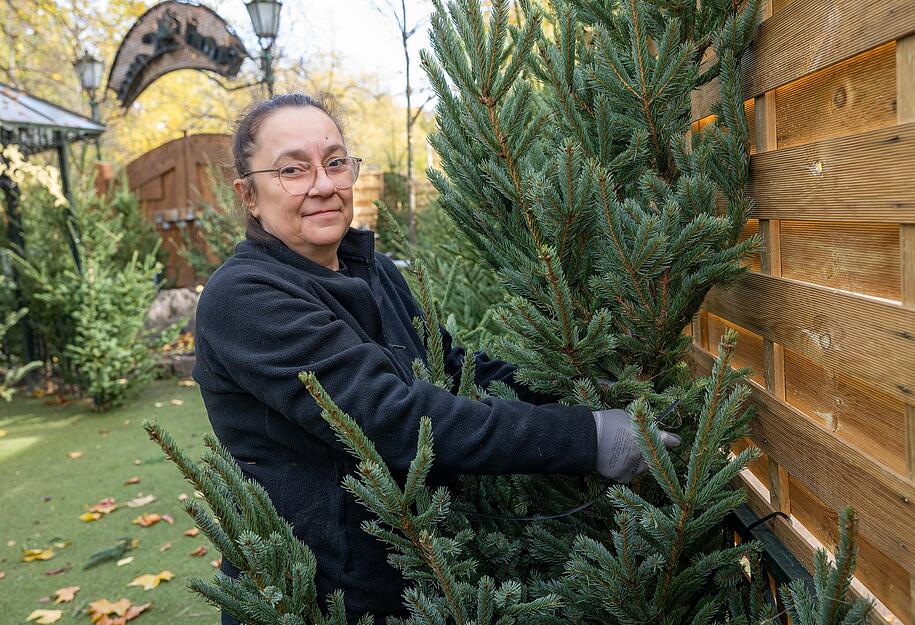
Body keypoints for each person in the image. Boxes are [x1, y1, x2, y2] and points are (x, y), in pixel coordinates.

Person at [193, 93, 680, 624]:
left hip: (421, 580)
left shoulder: (373, 270)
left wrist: (587, 390)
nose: (325, 185)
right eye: (292, 170)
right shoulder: (244, 298)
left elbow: (452, 367)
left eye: (335, 162)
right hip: (320, 597)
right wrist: (585, 436)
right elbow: (396, 419)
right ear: (250, 195)